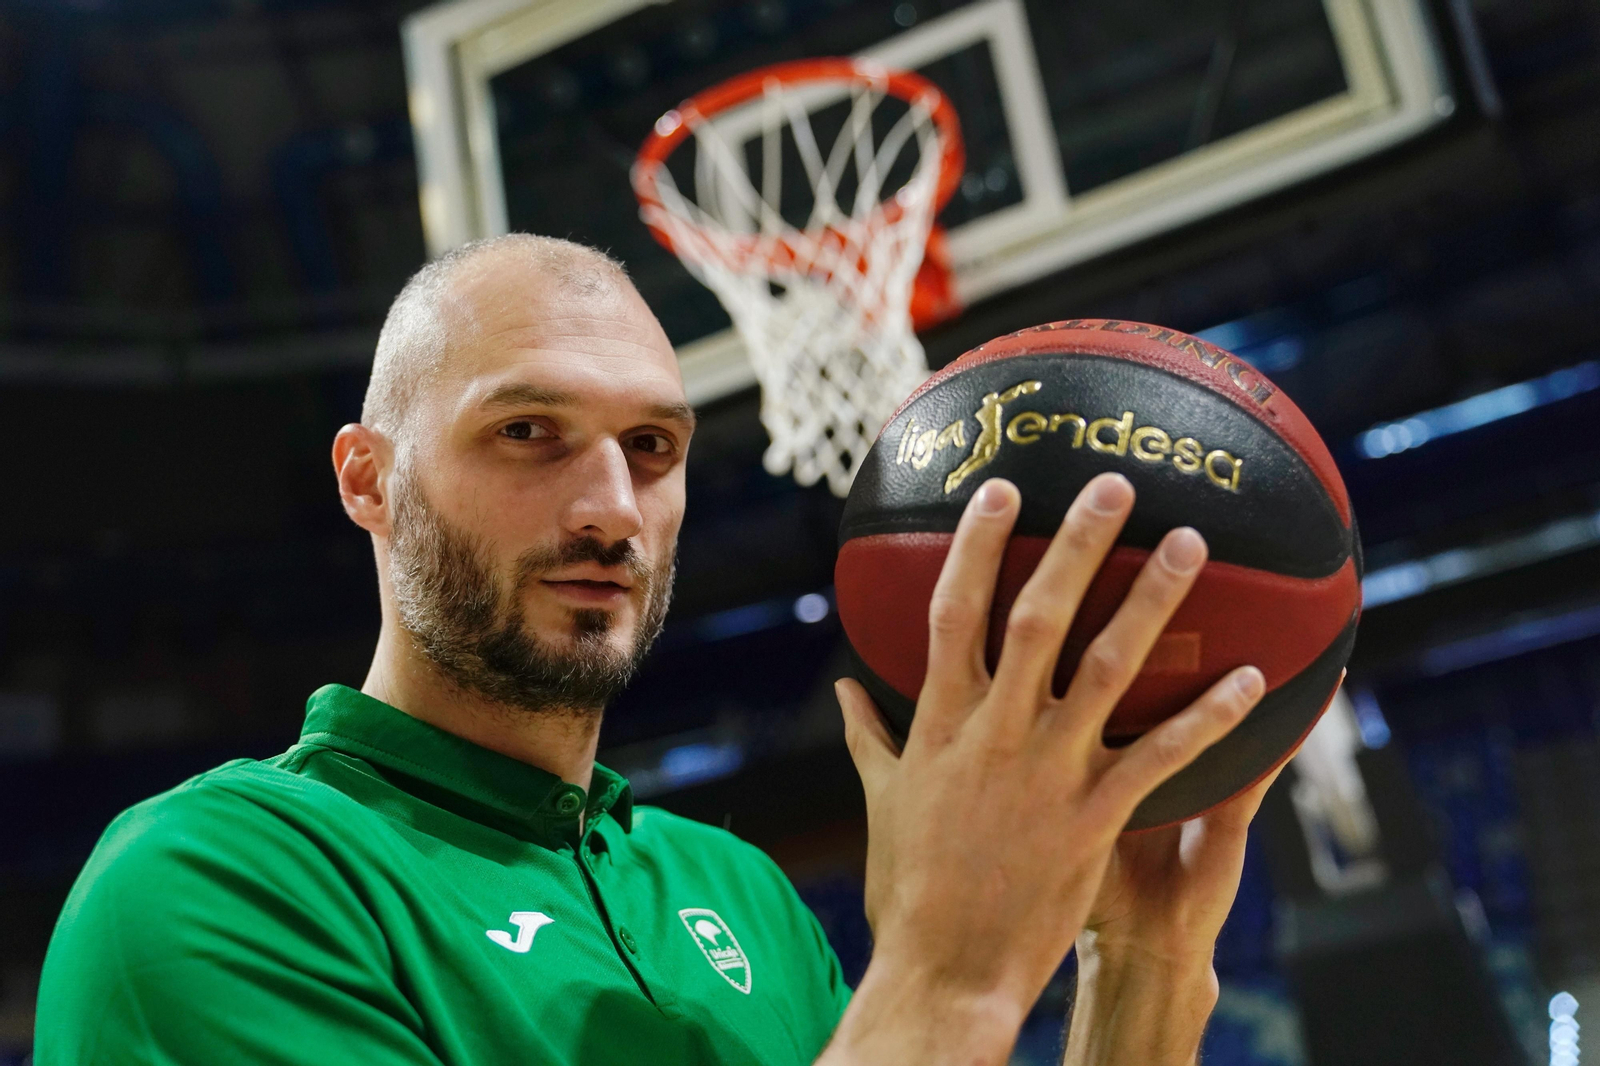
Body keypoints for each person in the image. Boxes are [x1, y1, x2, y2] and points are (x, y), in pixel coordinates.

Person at [34, 234, 1279, 1066]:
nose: (611, 510)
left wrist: (1141, 981)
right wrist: (946, 979)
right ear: (370, 479)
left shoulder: (738, 893)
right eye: (529, 430)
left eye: (653, 448)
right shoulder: (216, 880)